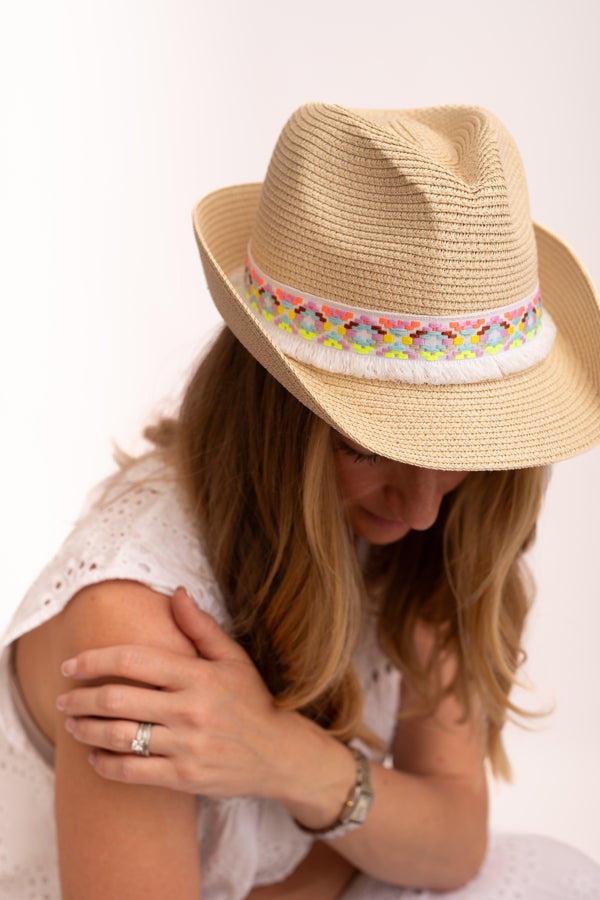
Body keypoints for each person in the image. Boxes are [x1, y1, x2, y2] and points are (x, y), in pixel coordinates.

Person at [1, 102, 599, 900]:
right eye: (368, 448)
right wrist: (351, 824)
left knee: (559, 878)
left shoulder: (434, 529)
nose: (422, 509)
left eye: (458, 457)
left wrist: (282, 754)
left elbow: (455, 840)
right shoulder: (138, 623)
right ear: (273, 422)